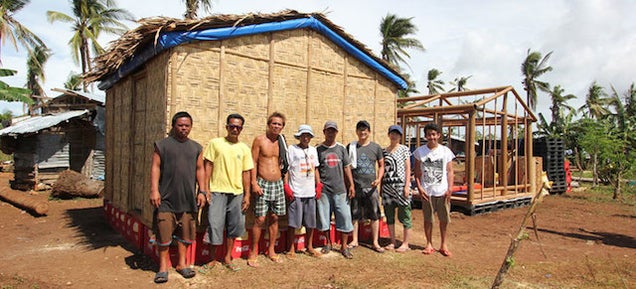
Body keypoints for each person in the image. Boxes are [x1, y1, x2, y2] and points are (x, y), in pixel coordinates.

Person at [149, 111, 205, 283]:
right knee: (164, 235)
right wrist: (154, 190)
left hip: (188, 199)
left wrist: (202, 191)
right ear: (174, 126)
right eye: (180, 125)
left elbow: (200, 169)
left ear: (191, 127)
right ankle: (163, 268)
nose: (183, 128)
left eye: (187, 125)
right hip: (166, 198)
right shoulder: (163, 145)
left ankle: (182, 264)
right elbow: (155, 167)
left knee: (185, 234)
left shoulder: (196, 147)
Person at [202, 113, 254, 271]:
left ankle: (227, 257)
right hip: (217, 191)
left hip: (237, 193)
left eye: (238, 127)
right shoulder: (216, 143)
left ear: (241, 129)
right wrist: (206, 189)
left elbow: (246, 172)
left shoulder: (244, 148)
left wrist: (247, 195)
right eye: (232, 126)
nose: (235, 129)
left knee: (235, 226)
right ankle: (212, 259)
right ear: (227, 127)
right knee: (215, 224)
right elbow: (208, 166)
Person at [248, 112, 287, 266]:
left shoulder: (282, 142)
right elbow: (254, 162)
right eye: (274, 123)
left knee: (275, 217)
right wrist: (253, 183)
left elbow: (285, 163)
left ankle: (271, 249)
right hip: (262, 183)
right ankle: (253, 251)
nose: (276, 126)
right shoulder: (259, 140)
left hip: (277, 183)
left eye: (279, 124)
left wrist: (286, 183)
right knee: (260, 219)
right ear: (269, 124)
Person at [413, 123, 455, 257]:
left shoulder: (445, 151)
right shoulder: (420, 152)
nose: (431, 137)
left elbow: (450, 171)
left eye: (434, 134)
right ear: (425, 136)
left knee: (444, 219)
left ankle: (443, 244)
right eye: (429, 135)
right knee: (428, 219)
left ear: (438, 135)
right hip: (427, 192)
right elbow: (417, 172)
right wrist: (419, 188)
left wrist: (450, 188)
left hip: (442, 191)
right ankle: (429, 243)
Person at [316, 120, 356, 259]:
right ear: (324, 132)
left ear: (336, 132)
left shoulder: (341, 149)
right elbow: (316, 169)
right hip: (325, 191)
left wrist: (351, 184)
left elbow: (346, 167)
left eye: (333, 131)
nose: (331, 133)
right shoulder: (318, 149)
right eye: (328, 130)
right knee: (324, 218)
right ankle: (328, 243)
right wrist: (318, 186)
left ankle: (344, 247)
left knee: (345, 218)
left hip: (340, 190)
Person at [284, 124, 323, 258]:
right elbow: (287, 169)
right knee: (293, 222)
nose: (306, 138)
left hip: (310, 191)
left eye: (308, 136)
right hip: (296, 191)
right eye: (303, 135)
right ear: (299, 136)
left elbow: (316, 168)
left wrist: (318, 185)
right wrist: (286, 187)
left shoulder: (313, 150)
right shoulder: (292, 149)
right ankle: (291, 248)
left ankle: (309, 246)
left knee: (310, 222)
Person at [347, 120, 385, 253]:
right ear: (356, 132)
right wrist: (350, 184)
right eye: (360, 130)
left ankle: (375, 241)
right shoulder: (351, 147)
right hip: (356, 186)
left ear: (369, 132)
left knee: (374, 214)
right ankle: (354, 240)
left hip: (371, 187)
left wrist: (379, 179)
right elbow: (347, 167)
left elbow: (381, 165)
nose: (362, 132)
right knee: (355, 214)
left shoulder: (376, 148)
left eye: (365, 130)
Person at [381, 125, 412, 252]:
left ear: (400, 136)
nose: (394, 136)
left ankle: (405, 243)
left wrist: (407, 186)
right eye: (392, 133)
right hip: (387, 186)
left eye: (397, 134)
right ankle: (392, 241)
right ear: (389, 135)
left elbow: (408, 168)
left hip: (400, 186)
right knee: (389, 214)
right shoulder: (384, 151)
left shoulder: (404, 149)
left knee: (405, 213)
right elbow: (382, 168)